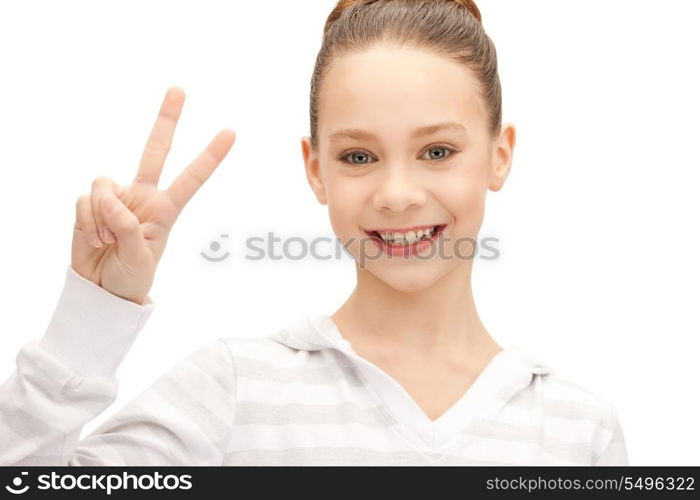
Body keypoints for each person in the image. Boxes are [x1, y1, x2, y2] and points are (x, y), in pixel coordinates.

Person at [0, 0, 628, 466]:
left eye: (437, 151)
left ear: (500, 154)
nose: (398, 194)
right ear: (315, 168)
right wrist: (92, 313)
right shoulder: (236, 390)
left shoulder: (578, 430)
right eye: (359, 156)